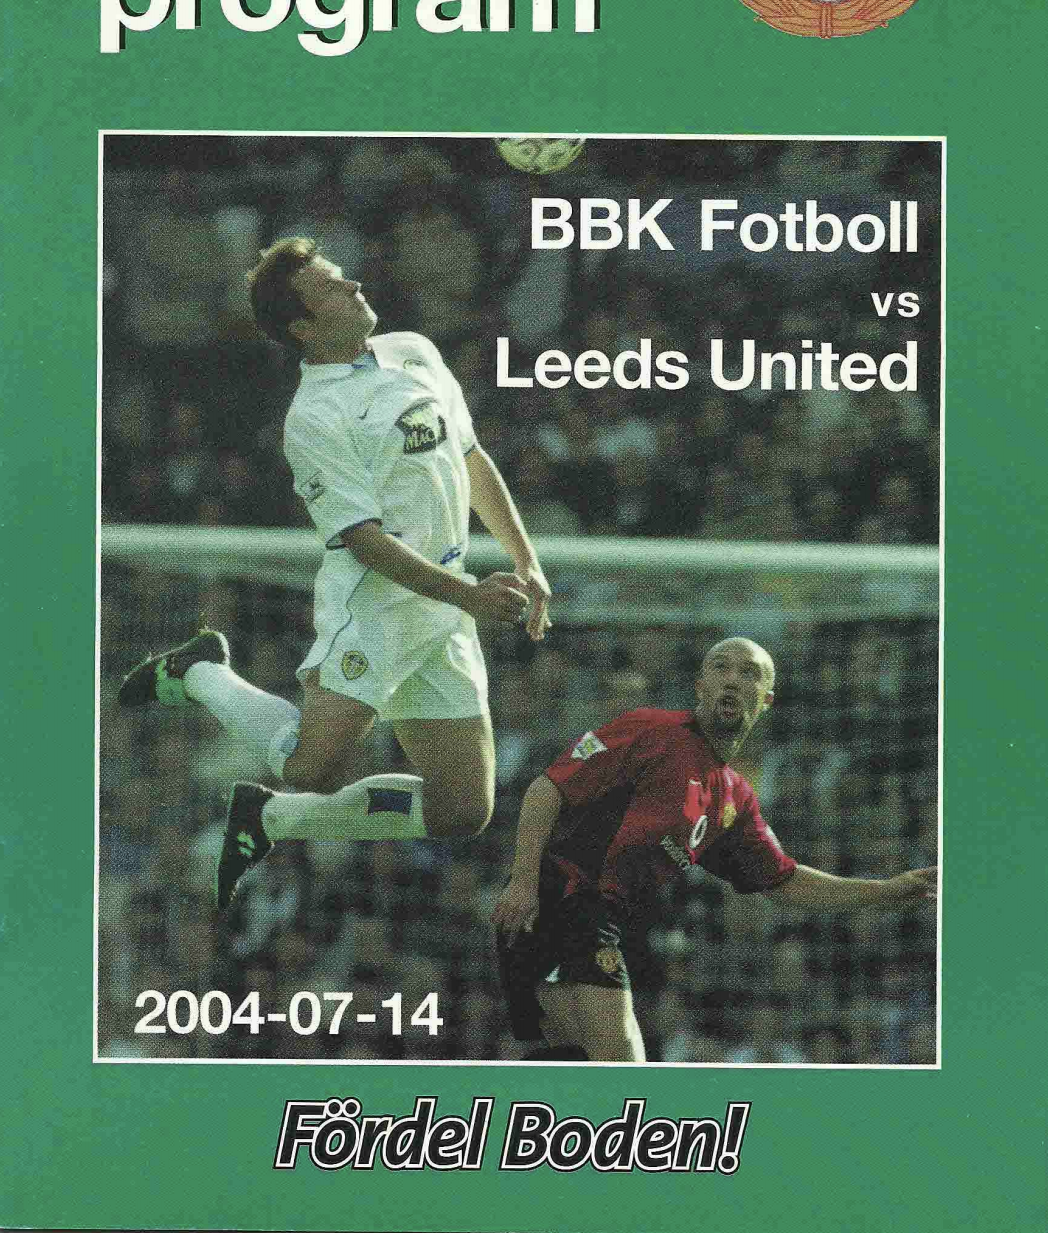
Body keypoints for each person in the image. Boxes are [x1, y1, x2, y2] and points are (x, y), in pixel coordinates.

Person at [119, 236, 552, 907]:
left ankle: (270, 819)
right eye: (330, 287)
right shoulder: (314, 415)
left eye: (344, 276)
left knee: (464, 809)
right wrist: (468, 596)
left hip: (446, 602)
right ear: (301, 325)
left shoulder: (414, 351)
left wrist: (527, 560)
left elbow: (470, 459)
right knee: (312, 768)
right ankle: (201, 672)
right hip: (377, 605)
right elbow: (363, 540)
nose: (352, 287)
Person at [492, 636, 936, 1063]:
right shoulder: (651, 729)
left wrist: (882, 892)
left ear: (766, 699)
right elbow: (546, 789)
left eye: (748, 673)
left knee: (572, 1058)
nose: (732, 679)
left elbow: (784, 882)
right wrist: (523, 883)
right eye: (721, 668)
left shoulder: (733, 798)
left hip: (611, 922)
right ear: (700, 686)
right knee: (619, 1056)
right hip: (563, 897)